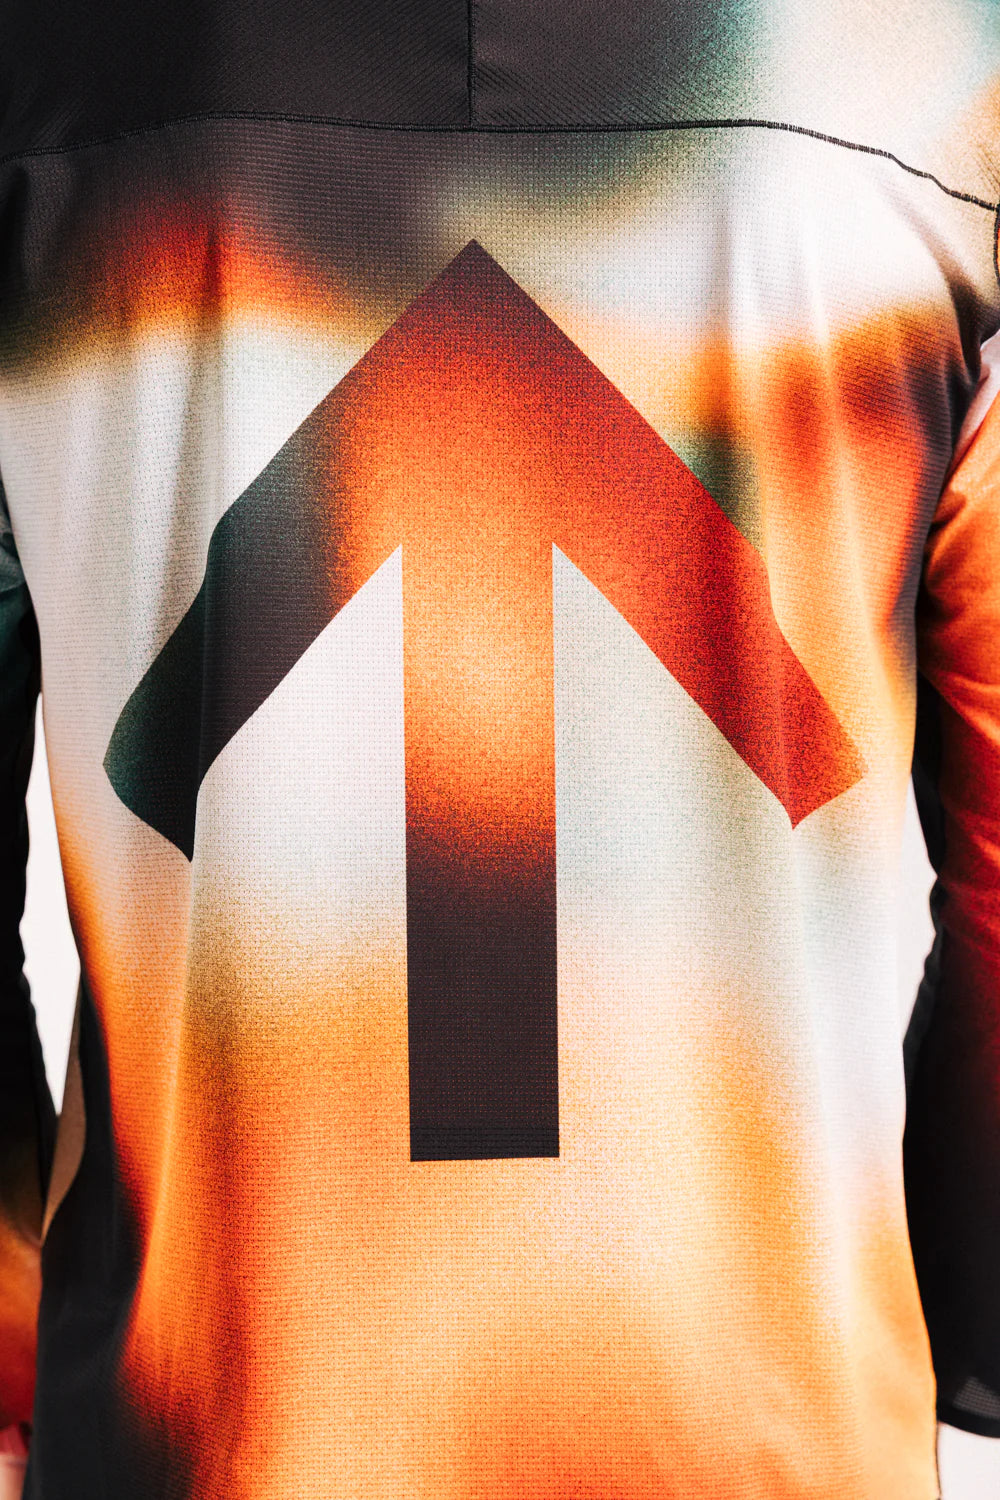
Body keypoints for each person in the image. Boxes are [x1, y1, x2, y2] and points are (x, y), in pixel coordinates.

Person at [1, 2, 999, 1496]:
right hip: (773, 1435)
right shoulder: (937, 71)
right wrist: (973, 1311)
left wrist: (19, 1330)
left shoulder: (46, 68)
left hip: (202, 1425)